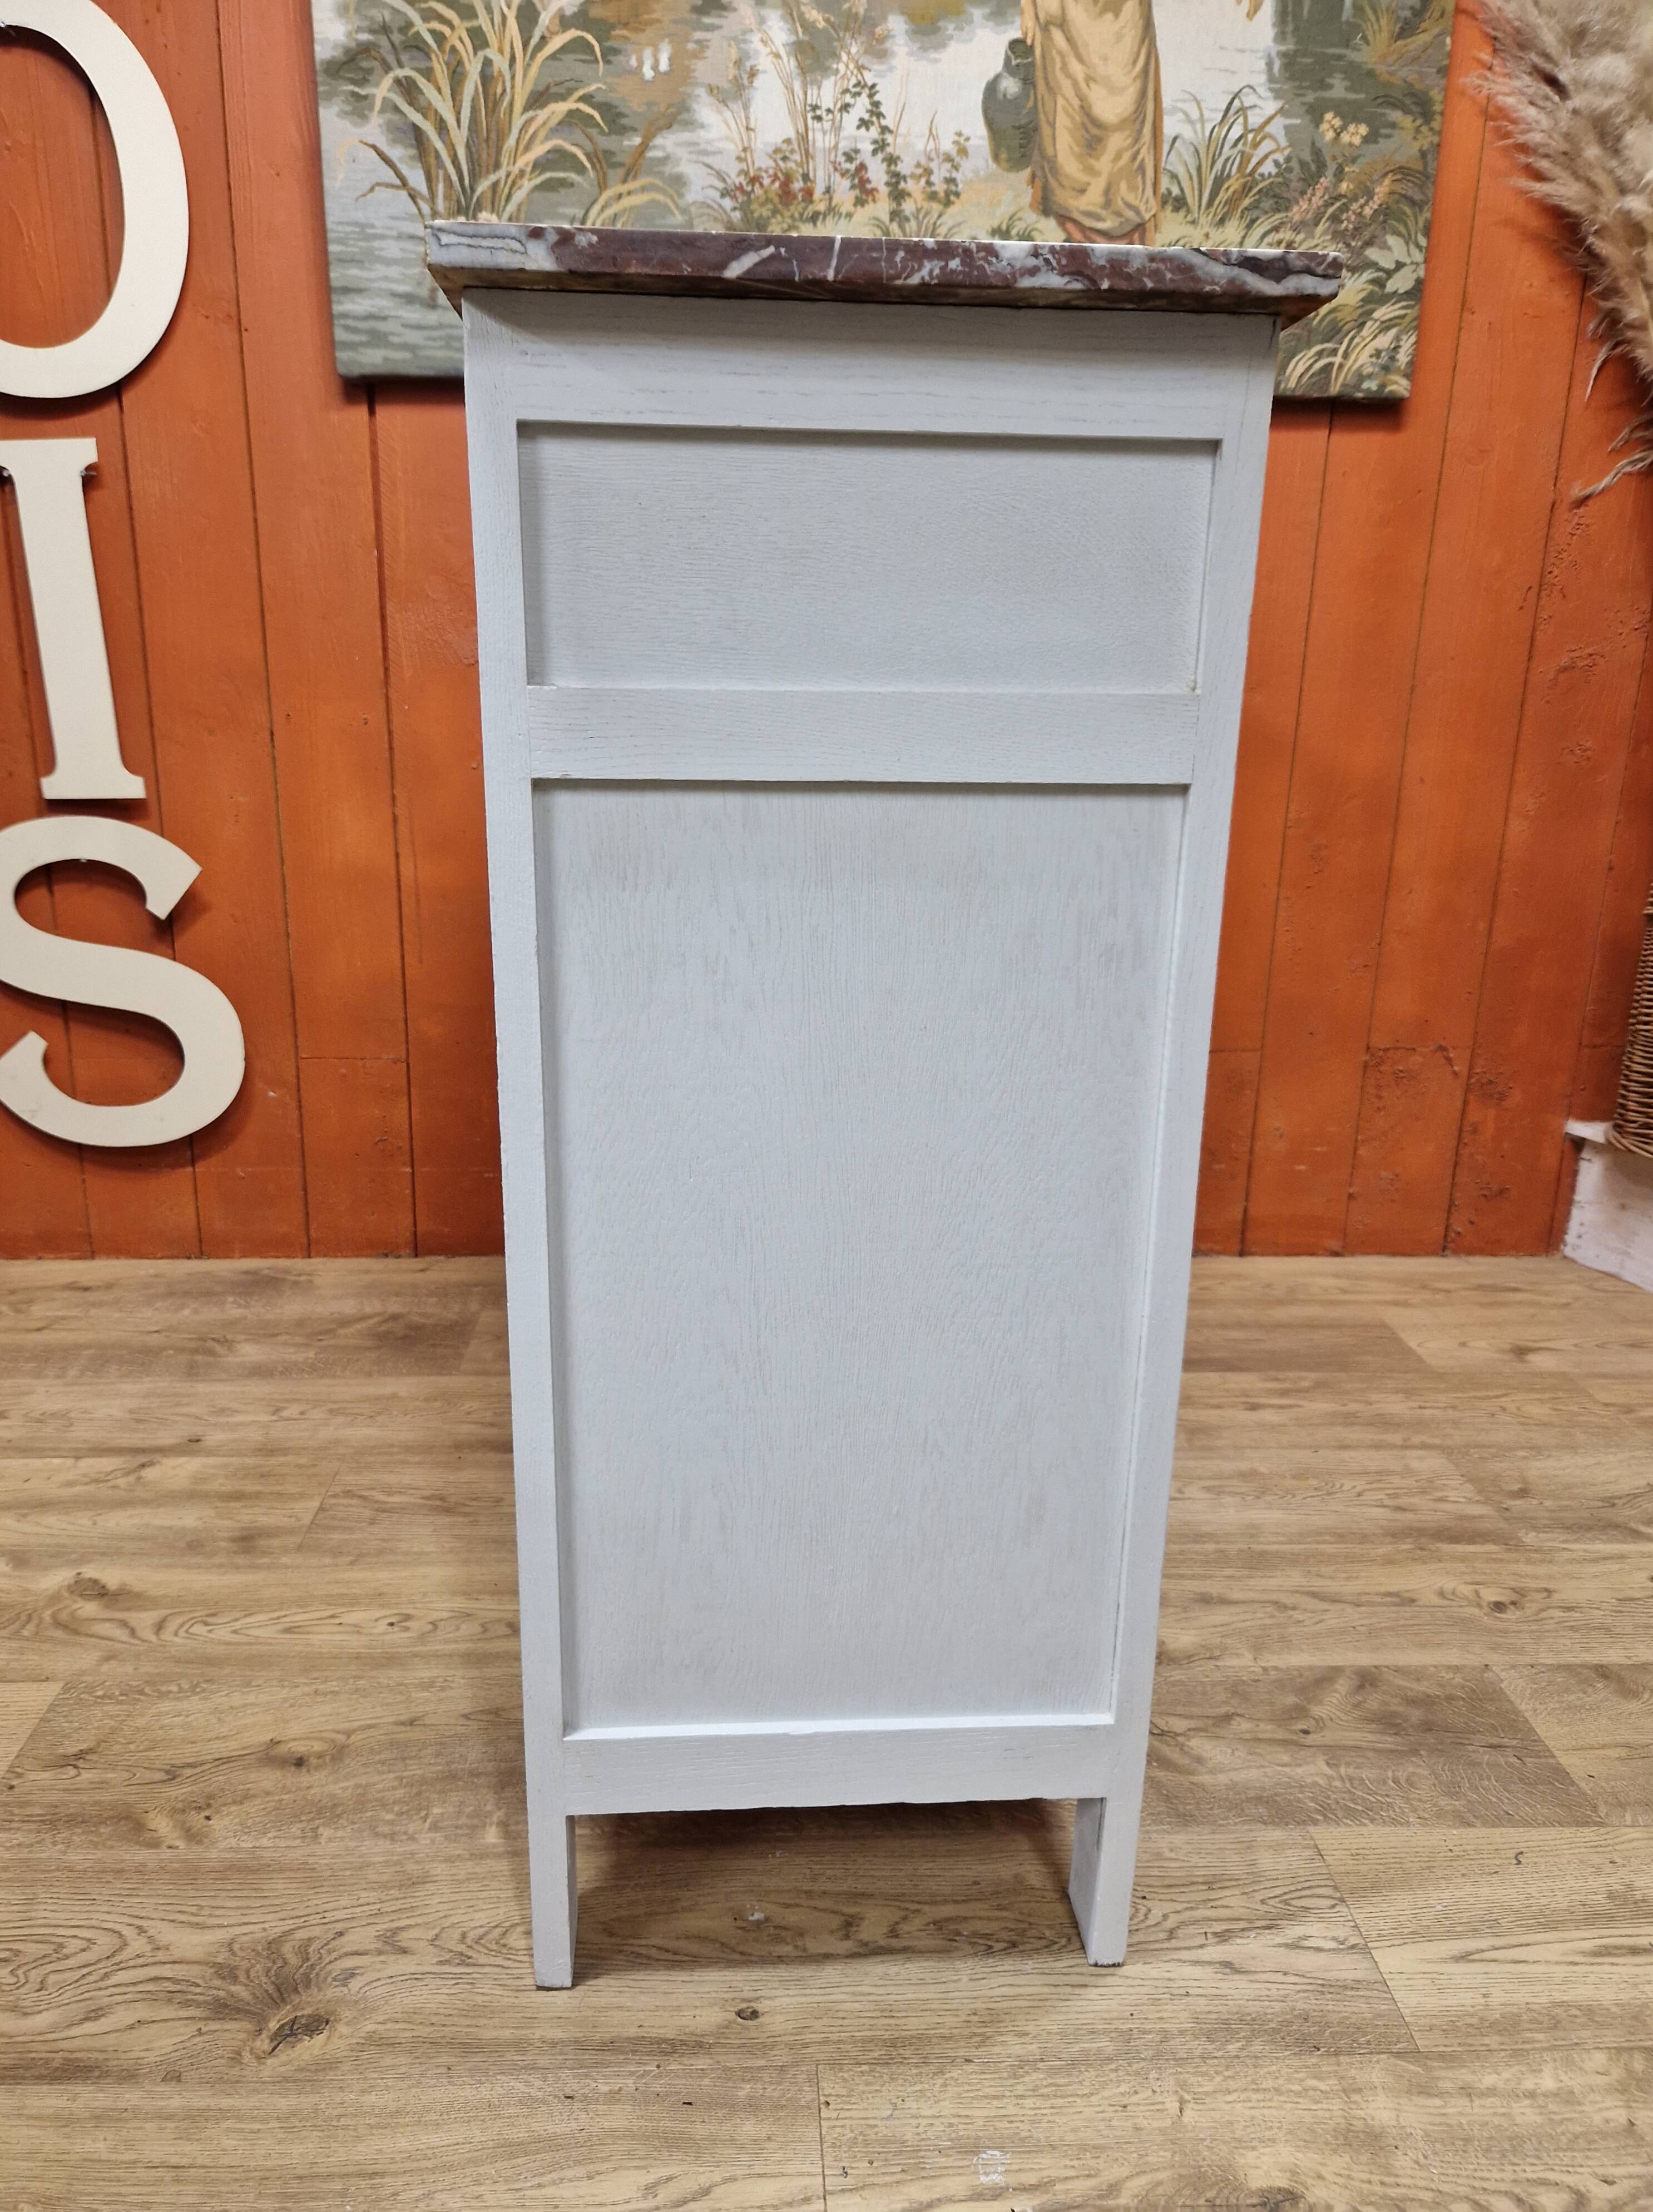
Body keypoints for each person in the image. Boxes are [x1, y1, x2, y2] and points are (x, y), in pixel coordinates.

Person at [1021, 0, 1264, 244]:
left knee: (1126, 120)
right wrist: (1027, 6)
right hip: (1065, 23)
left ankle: (1126, 248)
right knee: (1070, 126)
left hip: (1125, 15)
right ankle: (1080, 244)